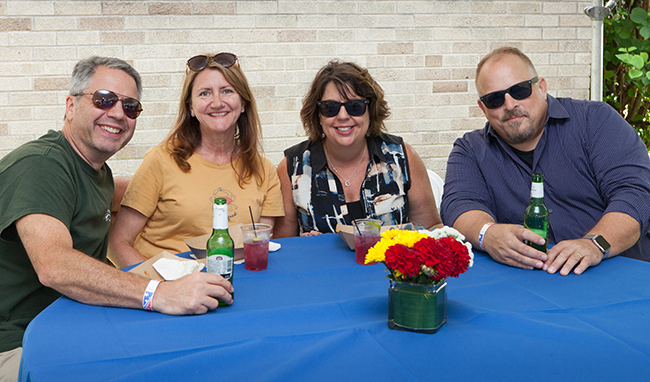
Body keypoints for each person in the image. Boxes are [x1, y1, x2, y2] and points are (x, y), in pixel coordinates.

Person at [0, 57, 234, 382]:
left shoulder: (97, 173)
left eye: (130, 106)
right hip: (20, 343)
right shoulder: (41, 165)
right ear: (70, 106)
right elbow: (55, 265)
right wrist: (159, 293)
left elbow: (134, 190)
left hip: (77, 322)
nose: (117, 113)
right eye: (104, 100)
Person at [441, 46, 650, 276]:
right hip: (531, 285)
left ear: (541, 87)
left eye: (519, 91)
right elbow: (458, 206)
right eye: (494, 99)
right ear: (483, 108)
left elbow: (636, 194)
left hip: (618, 275)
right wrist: (488, 234)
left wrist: (594, 244)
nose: (510, 105)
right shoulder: (470, 150)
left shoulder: (595, 121)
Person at [109, 53, 284, 265]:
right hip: (165, 285)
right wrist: (160, 289)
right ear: (191, 107)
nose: (217, 102)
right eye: (205, 93)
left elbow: (258, 247)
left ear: (243, 103)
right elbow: (119, 242)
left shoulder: (264, 170)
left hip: (232, 284)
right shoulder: (160, 160)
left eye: (227, 91)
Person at [273, 60, 442, 237]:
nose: (343, 116)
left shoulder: (401, 156)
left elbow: (432, 228)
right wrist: (307, 245)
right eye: (330, 108)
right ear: (318, 114)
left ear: (371, 110)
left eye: (355, 106)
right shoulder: (293, 167)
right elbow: (284, 246)